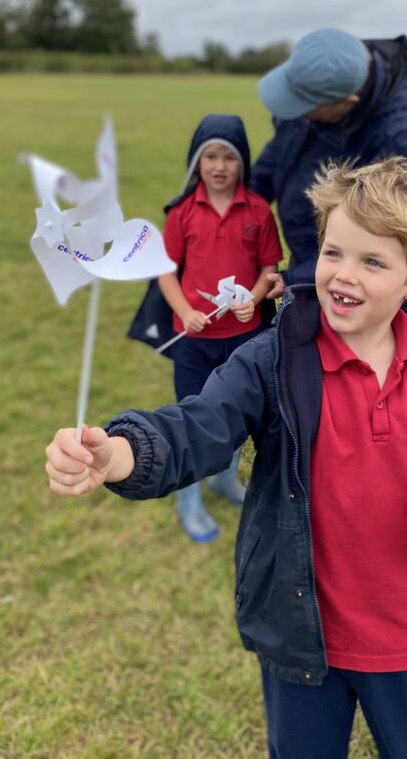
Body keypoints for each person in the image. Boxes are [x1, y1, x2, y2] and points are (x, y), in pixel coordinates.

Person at [45, 158, 407, 758]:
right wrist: (118, 453)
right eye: (333, 252)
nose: (343, 275)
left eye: (372, 261)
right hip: (302, 639)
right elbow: (199, 426)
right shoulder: (273, 360)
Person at [140, 113, 282, 544]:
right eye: (211, 156)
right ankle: (190, 501)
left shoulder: (258, 210)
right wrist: (185, 311)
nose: (220, 166)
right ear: (197, 162)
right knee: (193, 420)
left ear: (243, 163)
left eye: (229, 157)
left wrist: (252, 301)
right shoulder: (183, 213)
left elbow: (268, 269)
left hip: (244, 340)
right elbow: (166, 273)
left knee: (240, 417)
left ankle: (223, 479)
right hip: (196, 343)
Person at [250, 27, 407, 294]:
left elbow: (377, 236)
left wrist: (298, 277)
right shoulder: (318, 76)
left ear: (348, 101)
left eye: (306, 107)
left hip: (346, 286)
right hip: (305, 262)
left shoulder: (400, 134)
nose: (298, 114)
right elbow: (276, 156)